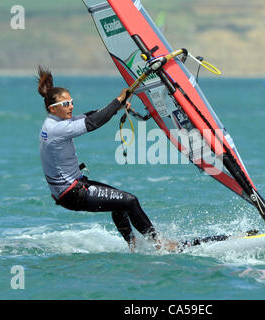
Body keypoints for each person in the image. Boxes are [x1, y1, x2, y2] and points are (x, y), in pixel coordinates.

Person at [37, 66, 176, 252]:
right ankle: (160, 244)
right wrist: (118, 100)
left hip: (72, 188)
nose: (71, 106)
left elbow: (88, 116)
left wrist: (116, 107)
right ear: (51, 108)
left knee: (120, 204)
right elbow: (93, 123)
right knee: (130, 201)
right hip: (72, 193)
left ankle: (133, 246)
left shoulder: (56, 122)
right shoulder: (56, 129)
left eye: (71, 102)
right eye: (65, 104)